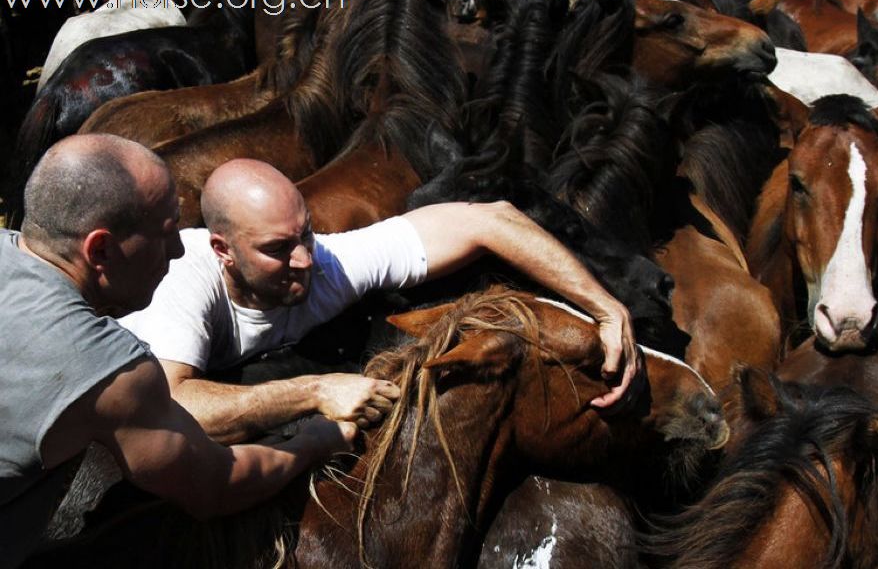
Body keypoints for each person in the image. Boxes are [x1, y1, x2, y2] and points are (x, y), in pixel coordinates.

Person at [0, 136, 356, 568]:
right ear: (101, 250)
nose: (180, 250)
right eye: (166, 234)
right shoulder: (105, 370)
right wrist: (315, 442)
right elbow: (216, 485)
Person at [119, 158, 643, 445]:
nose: (303, 259)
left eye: (306, 234)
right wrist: (316, 390)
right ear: (222, 250)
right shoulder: (183, 283)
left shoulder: (327, 262)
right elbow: (167, 405)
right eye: (278, 250)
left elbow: (488, 219)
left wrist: (604, 306)